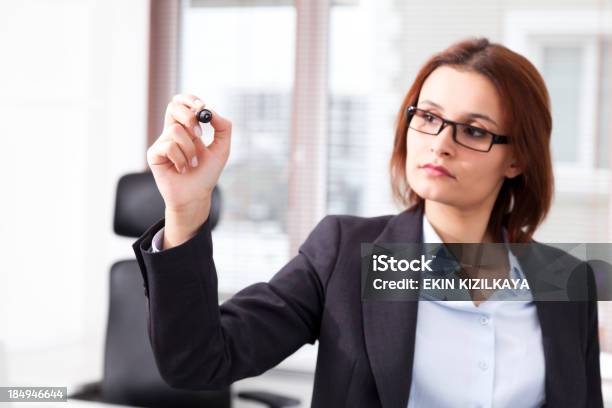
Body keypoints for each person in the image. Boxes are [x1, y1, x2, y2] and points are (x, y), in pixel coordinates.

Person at [132, 37, 603, 407]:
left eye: (474, 130)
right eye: (429, 118)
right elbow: (198, 362)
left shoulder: (564, 279)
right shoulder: (345, 253)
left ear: (517, 158)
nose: (440, 143)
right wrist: (187, 211)